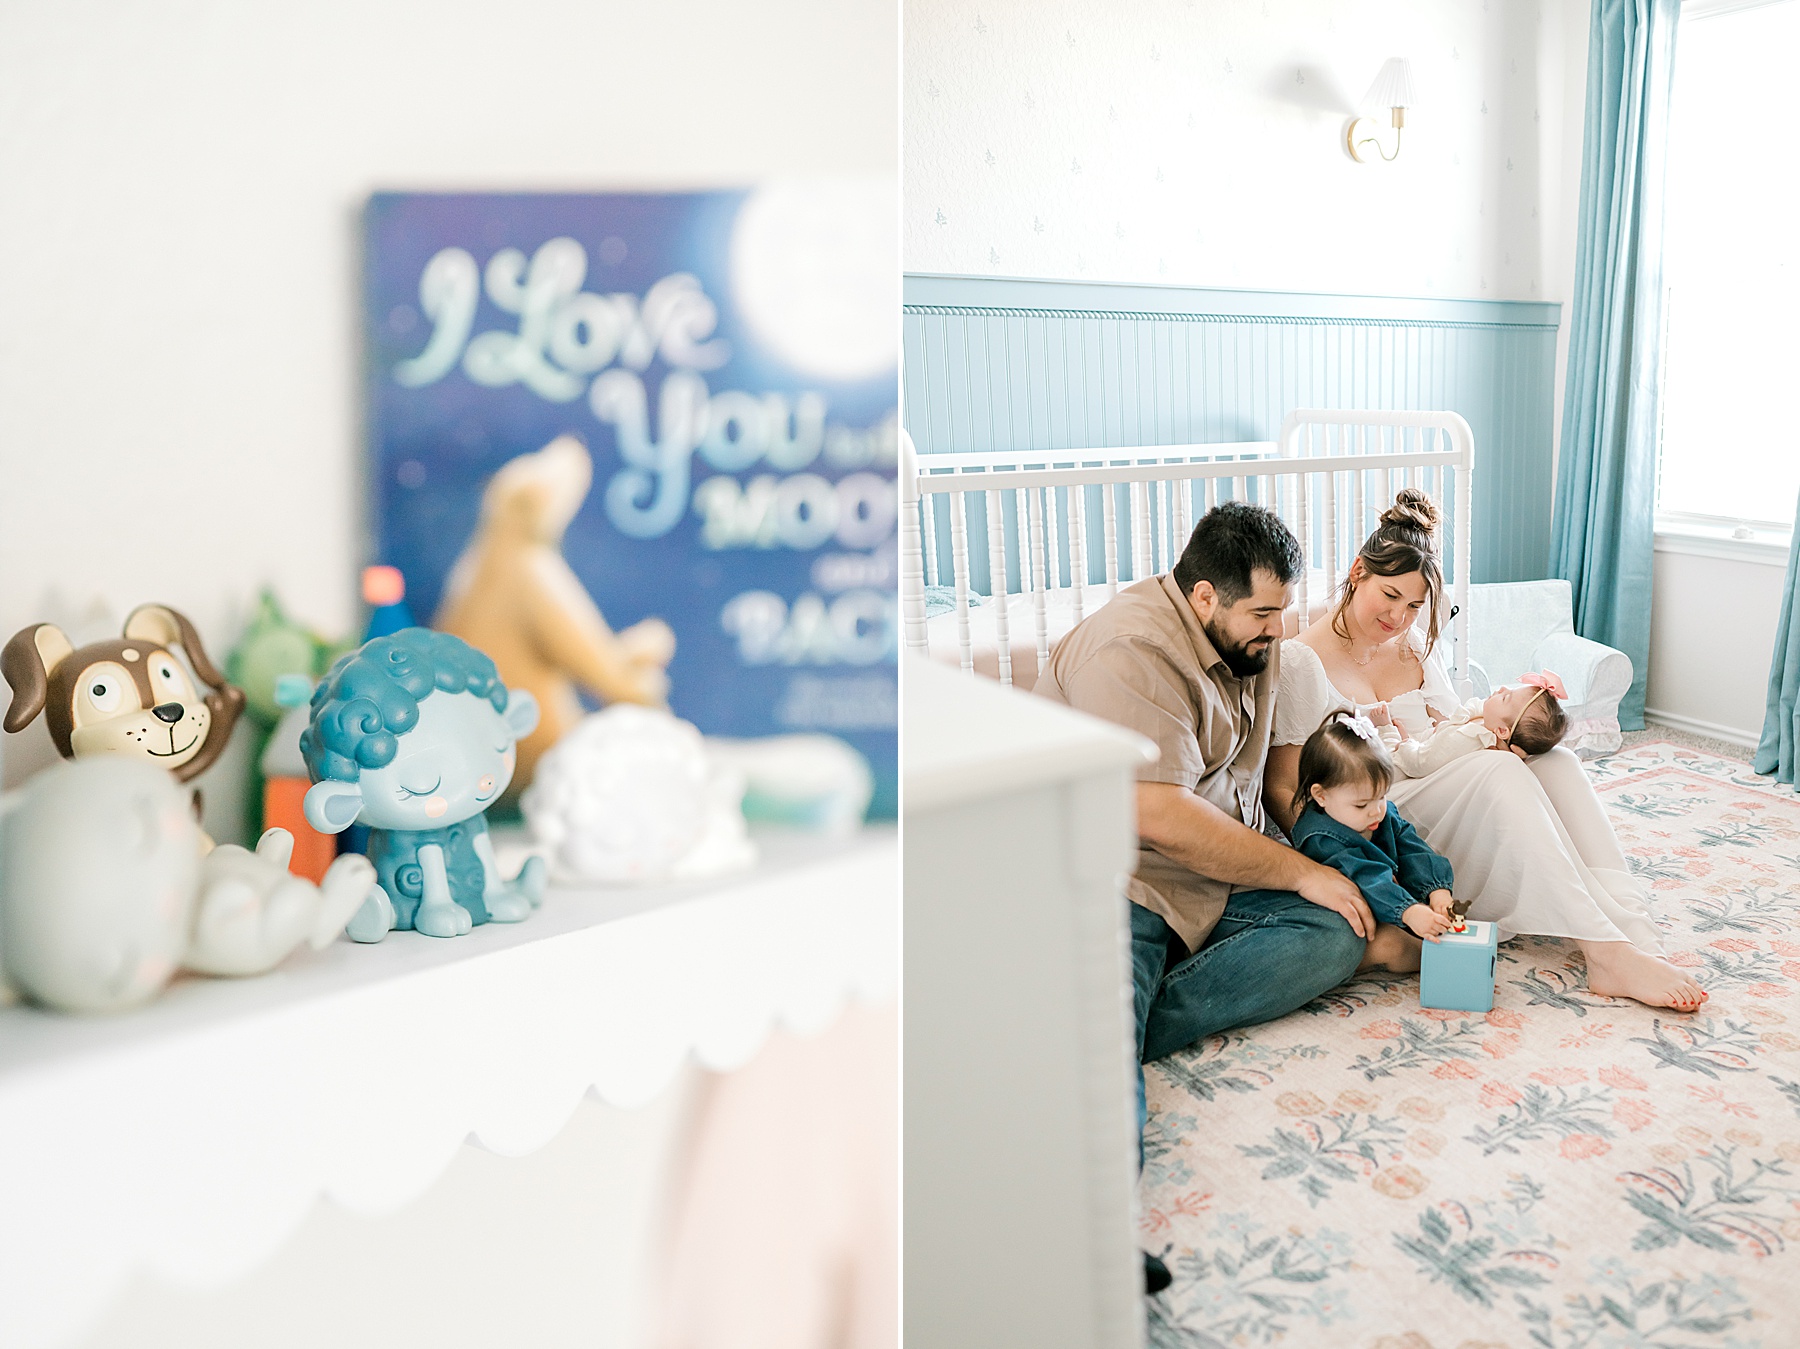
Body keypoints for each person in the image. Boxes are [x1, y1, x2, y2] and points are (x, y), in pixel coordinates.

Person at [1035, 500, 1371, 1295]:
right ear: (1204, 598)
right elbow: (1156, 815)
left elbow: (1260, 792)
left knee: (1338, 928)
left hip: (1208, 875)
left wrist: (1332, 862)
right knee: (1109, 1025)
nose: (1279, 629)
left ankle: (1097, 1024)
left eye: (1283, 610)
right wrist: (1296, 871)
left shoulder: (1251, 649)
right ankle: (1099, 1229)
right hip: (1122, 877)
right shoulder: (1133, 650)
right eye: (1263, 612)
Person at [1267, 489, 1706, 1011]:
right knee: (1500, 773)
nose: (1399, 617)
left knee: (1556, 760)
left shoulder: (1412, 645)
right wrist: (1325, 867)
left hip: (1434, 780)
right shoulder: (1300, 660)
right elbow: (1283, 787)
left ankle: (1633, 931)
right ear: (1358, 571)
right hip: (1380, 819)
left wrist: (1499, 732)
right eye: (1389, 596)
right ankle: (1606, 953)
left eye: (1413, 605)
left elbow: (1455, 722)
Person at [1264, 710, 1459, 952]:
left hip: (1390, 899)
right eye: (1361, 804)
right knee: (1403, 950)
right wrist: (1408, 911)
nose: (1376, 810)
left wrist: (1437, 889)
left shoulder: (1380, 812)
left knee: (1434, 931)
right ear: (1321, 795)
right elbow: (1365, 877)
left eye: (1381, 796)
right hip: (1353, 911)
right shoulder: (1320, 838)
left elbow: (1412, 846)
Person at [1370, 670, 1570, 779]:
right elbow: (1475, 708)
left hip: (1411, 765)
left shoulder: (1468, 739)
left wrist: (1399, 737)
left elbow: (1419, 764)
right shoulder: (1490, 727)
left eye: (1505, 698)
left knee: (1388, 751)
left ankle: (1386, 730)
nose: (1501, 688)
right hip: (1429, 744)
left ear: (1502, 730)